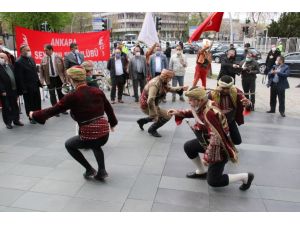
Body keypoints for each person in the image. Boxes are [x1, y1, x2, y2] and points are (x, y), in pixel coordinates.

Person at [29, 66, 118, 180]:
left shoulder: (72, 96)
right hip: (104, 132)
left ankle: (89, 169)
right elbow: (108, 108)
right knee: (96, 144)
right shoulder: (97, 91)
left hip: (89, 133)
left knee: (69, 145)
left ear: (71, 79)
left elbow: (54, 110)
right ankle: (102, 171)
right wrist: (113, 123)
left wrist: (34, 114)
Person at [167, 87, 254, 190]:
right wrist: (178, 113)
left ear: (199, 100)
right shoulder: (203, 104)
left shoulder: (209, 113)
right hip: (207, 141)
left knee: (214, 181)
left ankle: (245, 177)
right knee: (189, 147)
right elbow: (194, 112)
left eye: (191, 99)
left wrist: (207, 157)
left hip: (220, 149)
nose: (188, 102)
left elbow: (216, 137)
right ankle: (201, 172)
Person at [137, 69, 188, 137]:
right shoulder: (155, 84)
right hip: (147, 106)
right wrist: (153, 114)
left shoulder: (162, 81)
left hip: (152, 104)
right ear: (166, 77)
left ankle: (143, 121)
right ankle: (152, 129)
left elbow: (168, 88)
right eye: (170, 78)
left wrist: (181, 89)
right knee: (167, 116)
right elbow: (150, 100)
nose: (170, 80)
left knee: (161, 116)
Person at [208, 75, 251, 145]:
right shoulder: (213, 94)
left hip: (230, 120)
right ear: (219, 86)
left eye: (228, 88)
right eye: (224, 88)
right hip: (217, 121)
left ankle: (228, 142)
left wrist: (247, 104)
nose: (226, 90)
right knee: (217, 142)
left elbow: (245, 101)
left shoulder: (236, 91)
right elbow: (205, 105)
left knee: (237, 141)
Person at [14, 45, 42, 124]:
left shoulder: (31, 59)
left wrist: (39, 82)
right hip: (27, 87)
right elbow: (19, 77)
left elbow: (35, 72)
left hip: (35, 85)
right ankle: (31, 117)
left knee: (37, 101)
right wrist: (23, 89)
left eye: (29, 49)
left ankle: (38, 115)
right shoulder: (18, 62)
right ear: (22, 51)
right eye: (27, 50)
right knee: (30, 103)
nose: (29, 51)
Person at [40, 44, 68, 116]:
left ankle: (62, 109)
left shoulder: (58, 57)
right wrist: (42, 80)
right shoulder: (43, 59)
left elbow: (64, 69)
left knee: (61, 94)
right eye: (44, 50)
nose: (45, 52)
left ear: (51, 50)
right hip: (49, 79)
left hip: (58, 78)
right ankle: (55, 111)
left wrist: (66, 79)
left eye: (46, 50)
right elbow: (41, 71)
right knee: (52, 95)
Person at [0, 53, 24, 129]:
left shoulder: (10, 65)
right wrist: (2, 90)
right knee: (6, 107)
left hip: (13, 89)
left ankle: (16, 120)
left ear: (7, 58)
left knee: (15, 105)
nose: (2, 59)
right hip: (5, 91)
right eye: (0, 57)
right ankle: (8, 122)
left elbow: (15, 77)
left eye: (3, 57)